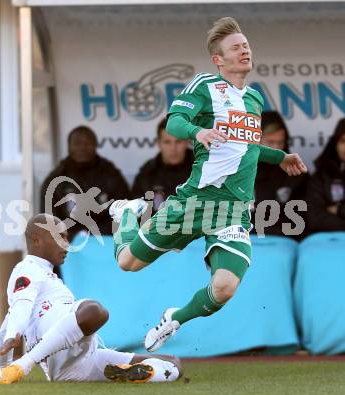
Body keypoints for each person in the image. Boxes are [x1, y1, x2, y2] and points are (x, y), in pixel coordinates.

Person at [107, 17, 307, 352]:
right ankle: (127, 215)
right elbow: (174, 121)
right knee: (128, 262)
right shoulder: (205, 86)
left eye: (246, 46)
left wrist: (279, 156)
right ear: (219, 59)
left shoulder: (254, 99)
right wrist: (197, 132)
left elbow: (246, 146)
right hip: (195, 202)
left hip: (233, 211)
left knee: (226, 287)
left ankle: (175, 318)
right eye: (236, 48)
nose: (244, 51)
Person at [0, 214, 182, 384]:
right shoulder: (28, 268)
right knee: (95, 312)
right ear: (36, 240)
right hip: (55, 347)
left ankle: (140, 373)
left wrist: (3, 366)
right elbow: (21, 305)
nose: (66, 243)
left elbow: (9, 317)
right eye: (59, 236)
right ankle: (24, 365)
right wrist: (14, 337)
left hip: (75, 364)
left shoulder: (48, 276)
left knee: (173, 363)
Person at [40, 126, 130, 240]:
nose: (82, 148)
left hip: (106, 242)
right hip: (69, 245)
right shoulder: (55, 179)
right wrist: (74, 238)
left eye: (88, 143)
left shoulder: (111, 175)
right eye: (77, 143)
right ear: (69, 147)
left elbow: (124, 214)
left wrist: (95, 236)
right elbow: (50, 220)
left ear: (95, 146)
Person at [253, 111, 308, 238]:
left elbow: (302, 216)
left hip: (284, 240)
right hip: (247, 240)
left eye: (280, 142)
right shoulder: (240, 169)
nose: (276, 148)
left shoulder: (295, 171)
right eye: (271, 142)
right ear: (256, 140)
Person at [306, 117, 345, 233]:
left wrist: (340, 210)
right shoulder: (322, 176)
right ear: (335, 145)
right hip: (331, 243)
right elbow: (315, 218)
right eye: (343, 141)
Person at [132, 118, 193, 212]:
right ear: (159, 143)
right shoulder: (148, 173)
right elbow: (136, 212)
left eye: (178, 142)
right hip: (157, 226)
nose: (173, 148)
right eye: (167, 142)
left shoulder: (202, 168)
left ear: (186, 142)